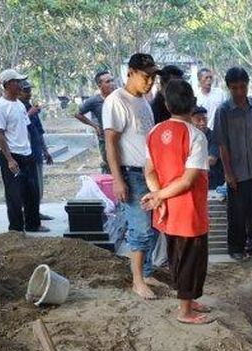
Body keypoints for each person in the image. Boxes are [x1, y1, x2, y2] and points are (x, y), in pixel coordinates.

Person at [142, 80, 213, 324]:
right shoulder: (195, 135)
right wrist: (159, 196)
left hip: (167, 211)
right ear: (192, 103)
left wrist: (157, 195)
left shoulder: (154, 132)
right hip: (189, 210)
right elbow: (188, 180)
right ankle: (185, 311)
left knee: (177, 257)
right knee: (191, 260)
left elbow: (149, 171)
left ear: (167, 104)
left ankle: (189, 300)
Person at [103, 53, 164, 299]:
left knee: (153, 227)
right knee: (140, 229)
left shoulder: (143, 101)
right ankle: (137, 281)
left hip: (149, 173)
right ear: (130, 72)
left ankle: (147, 272)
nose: (149, 82)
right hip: (131, 173)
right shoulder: (117, 100)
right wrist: (117, 179)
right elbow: (110, 142)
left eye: (152, 77)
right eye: (145, 76)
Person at [213, 67, 252, 262]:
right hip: (235, 172)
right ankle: (236, 248)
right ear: (228, 87)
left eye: (242, 87)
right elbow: (222, 145)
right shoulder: (223, 111)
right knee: (236, 212)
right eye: (234, 88)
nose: (239, 92)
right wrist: (228, 173)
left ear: (248, 85)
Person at [0, 69, 48, 233]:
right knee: (14, 195)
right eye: (18, 82)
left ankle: (33, 224)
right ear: (8, 84)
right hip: (12, 155)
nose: (21, 85)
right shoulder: (0, 106)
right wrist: (9, 159)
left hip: (26, 153)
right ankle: (16, 230)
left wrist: (34, 149)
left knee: (32, 191)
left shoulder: (19, 105)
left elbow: (25, 127)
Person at [19, 80, 53, 221]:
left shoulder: (31, 108)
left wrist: (45, 151)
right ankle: (27, 214)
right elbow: (16, 128)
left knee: (38, 185)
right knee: (27, 187)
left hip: (36, 152)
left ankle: (35, 211)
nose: (29, 93)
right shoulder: (17, 108)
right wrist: (29, 114)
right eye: (26, 91)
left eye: (29, 90)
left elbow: (39, 132)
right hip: (23, 155)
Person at [75, 70, 116, 173]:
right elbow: (77, 114)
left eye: (112, 80)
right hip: (105, 140)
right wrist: (95, 126)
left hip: (120, 138)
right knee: (109, 167)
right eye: (107, 82)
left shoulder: (118, 97)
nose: (112, 84)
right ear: (99, 85)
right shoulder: (94, 101)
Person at [191, 106, 225, 190]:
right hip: (195, 180)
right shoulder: (190, 137)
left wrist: (188, 164)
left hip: (213, 182)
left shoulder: (214, 136)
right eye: (198, 120)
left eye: (204, 119)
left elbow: (211, 160)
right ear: (191, 121)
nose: (202, 123)